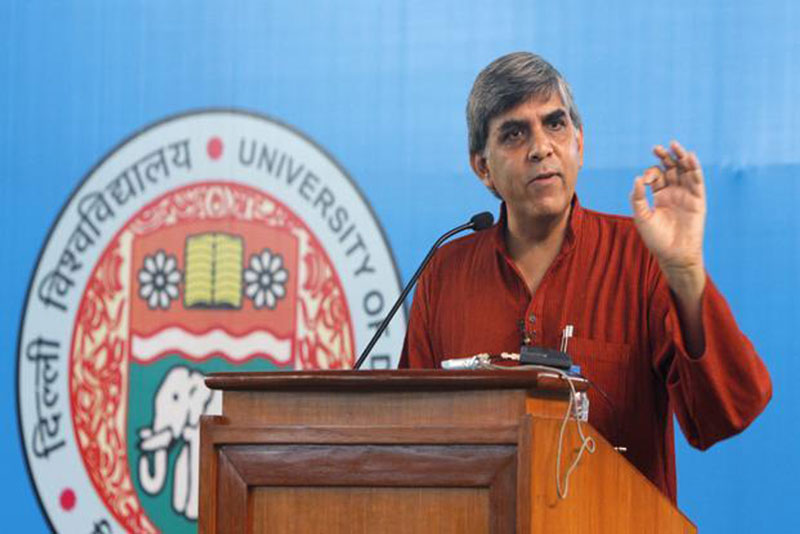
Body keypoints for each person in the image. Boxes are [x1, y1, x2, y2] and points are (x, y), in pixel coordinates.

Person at [398, 52, 772, 502]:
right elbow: (411, 443)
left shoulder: (640, 257)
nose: (541, 148)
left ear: (579, 141)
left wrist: (686, 273)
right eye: (514, 134)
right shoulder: (445, 273)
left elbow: (727, 414)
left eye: (555, 124)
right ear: (483, 167)